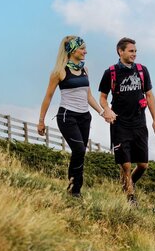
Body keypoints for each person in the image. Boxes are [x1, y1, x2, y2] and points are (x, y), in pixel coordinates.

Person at [37, 35, 115, 197]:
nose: (85, 52)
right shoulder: (59, 72)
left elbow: (89, 96)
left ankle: (74, 189)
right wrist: (41, 121)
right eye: (82, 48)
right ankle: (74, 190)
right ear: (72, 50)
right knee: (79, 150)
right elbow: (48, 97)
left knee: (80, 152)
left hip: (84, 117)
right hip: (67, 116)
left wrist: (103, 113)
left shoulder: (84, 70)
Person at [98, 37, 155, 206]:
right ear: (121, 51)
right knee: (125, 164)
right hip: (119, 124)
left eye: (135, 51)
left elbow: (149, 95)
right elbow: (103, 98)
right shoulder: (110, 72)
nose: (134, 54)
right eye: (131, 51)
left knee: (143, 165)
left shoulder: (142, 71)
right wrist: (107, 110)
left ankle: (127, 184)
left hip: (139, 123)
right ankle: (130, 197)